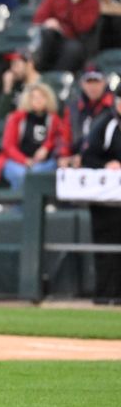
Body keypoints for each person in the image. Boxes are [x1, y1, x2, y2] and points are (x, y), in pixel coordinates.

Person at [80, 85, 121, 299]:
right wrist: (107, 165)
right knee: (106, 247)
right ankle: (106, 295)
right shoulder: (107, 124)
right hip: (106, 202)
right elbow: (87, 156)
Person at [0, 82, 69, 189]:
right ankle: (20, 205)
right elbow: (8, 146)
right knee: (22, 175)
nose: (38, 100)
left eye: (41, 97)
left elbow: (59, 139)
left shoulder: (54, 119)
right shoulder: (16, 118)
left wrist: (46, 148)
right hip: (16, 161)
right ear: (28, 100)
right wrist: (25, 161)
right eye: (34, 97)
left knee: (39, 172)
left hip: (43, 163)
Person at [32, 0, 99, 72]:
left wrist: (75, 3)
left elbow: (83, 28)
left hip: (75, 40)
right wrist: (49, 22)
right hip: (53, 37)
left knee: (73, 49)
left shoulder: (92, 1)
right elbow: (38, 19)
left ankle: (56, 79)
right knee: (44, 35)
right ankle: (37, 72)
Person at [59, 65, 114, 168]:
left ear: (104, 82)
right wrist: (64, 156)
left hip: (107, 161)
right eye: (89, 82)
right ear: (82, 84)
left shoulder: (113, 107)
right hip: (76, 161)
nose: (93, 86)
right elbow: (64, 137)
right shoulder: (73, 109)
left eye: (97, 81)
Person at [0, 49, 40, 119]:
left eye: (16, 64)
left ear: (29, 64)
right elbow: (2, 114)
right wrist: (7, 88)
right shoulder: (17, 86)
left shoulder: (44, 84)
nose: (12, 69)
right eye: (11, 64)